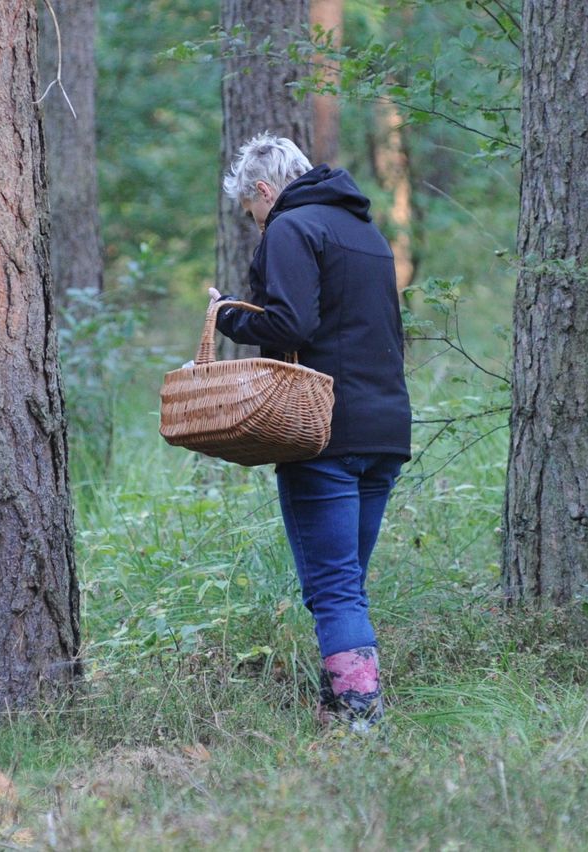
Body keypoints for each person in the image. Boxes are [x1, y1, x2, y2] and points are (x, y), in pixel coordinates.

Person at [212, 132, 411, 730]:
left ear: (266, 191)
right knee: (347, 583)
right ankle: (338, 706)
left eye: (252, 213)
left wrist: (227, 314)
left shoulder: (292, 229)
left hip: (323, 431)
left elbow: (291, 323)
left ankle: (360, 721)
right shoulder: (366, 233)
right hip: (384, 431)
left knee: (334, 590)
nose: (255, 225)